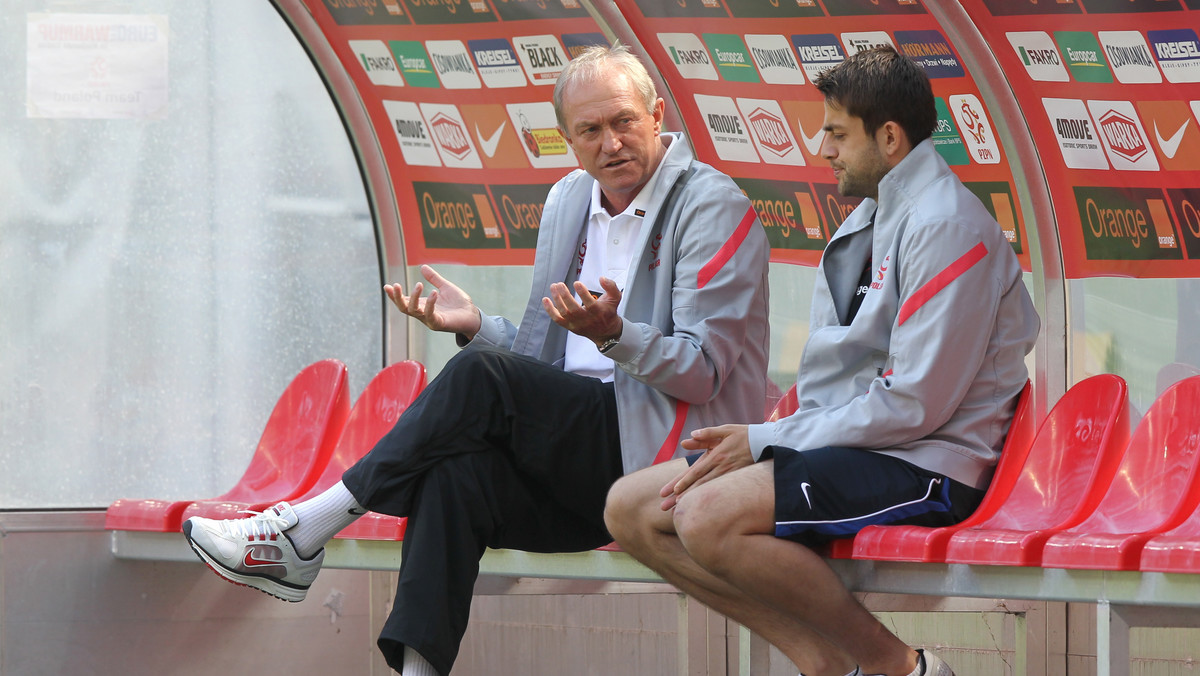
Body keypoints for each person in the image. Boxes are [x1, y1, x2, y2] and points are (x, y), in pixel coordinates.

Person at [182, 43, 770, 676]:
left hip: (670, 464)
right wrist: (477, 327)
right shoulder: (570, 200)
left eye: (624, 121)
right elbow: (542, 363)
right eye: (590, 130)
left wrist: (613, 334)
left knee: (484, 380)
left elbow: (703, 372)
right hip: (584, 467)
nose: (611, 143)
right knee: (452, 474)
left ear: (657, 116)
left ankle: (303, 530)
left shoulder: (712, 206)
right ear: (568, 140)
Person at [604, 45, 1040, 676]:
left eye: (837, 133)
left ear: (889, 138)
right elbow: (838, 377)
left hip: (927, 461)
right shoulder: (869, 217)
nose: (821, 147)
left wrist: (767, 439)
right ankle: (823, 663)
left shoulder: (948, 225)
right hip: (859, 444)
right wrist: (779, 438)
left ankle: (901, 667)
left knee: (704, 515)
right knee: (631, 508)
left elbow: (913, 405)